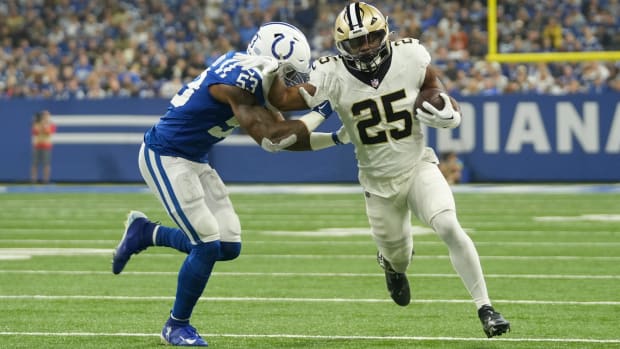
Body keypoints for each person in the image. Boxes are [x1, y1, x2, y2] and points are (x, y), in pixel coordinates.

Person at [259, 2, 511, 338]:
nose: (365, 47)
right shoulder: (330, 74)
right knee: (400, 256)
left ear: (385, 33)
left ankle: (486, 308)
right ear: (341, 46)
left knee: (449, 224)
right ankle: (392, 266)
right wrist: (268, 66)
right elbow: (285, 100)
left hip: (418, 165)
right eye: (356, 43)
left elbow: (434, 90)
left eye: (372, 38)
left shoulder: (411, 56)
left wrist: (450, 109)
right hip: (378, 185)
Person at [111, 22, 346, 347]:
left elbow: (289, 134)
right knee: (207, 243)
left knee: (228, 246)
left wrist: (336, 137)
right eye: (288, 75)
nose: (290, 85)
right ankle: (176, 326)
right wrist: (324, 108)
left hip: (194, 158)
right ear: (270, 62)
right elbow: (273, 140)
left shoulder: (254, 74)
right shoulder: (241, 83)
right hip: (165, 156)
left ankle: (144, 232)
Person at [30, 110, 56, 184]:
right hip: (37, 146)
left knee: (46, 164)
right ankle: (33, 180)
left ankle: (46, 180)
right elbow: (35, 132)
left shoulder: (51, 124)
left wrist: (44, 125)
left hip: (46, 146)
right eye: (44, 115)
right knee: (34, 164)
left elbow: (48, 132)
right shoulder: (36, 123)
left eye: (47, 115)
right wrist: (40, 124)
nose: (45, 117)